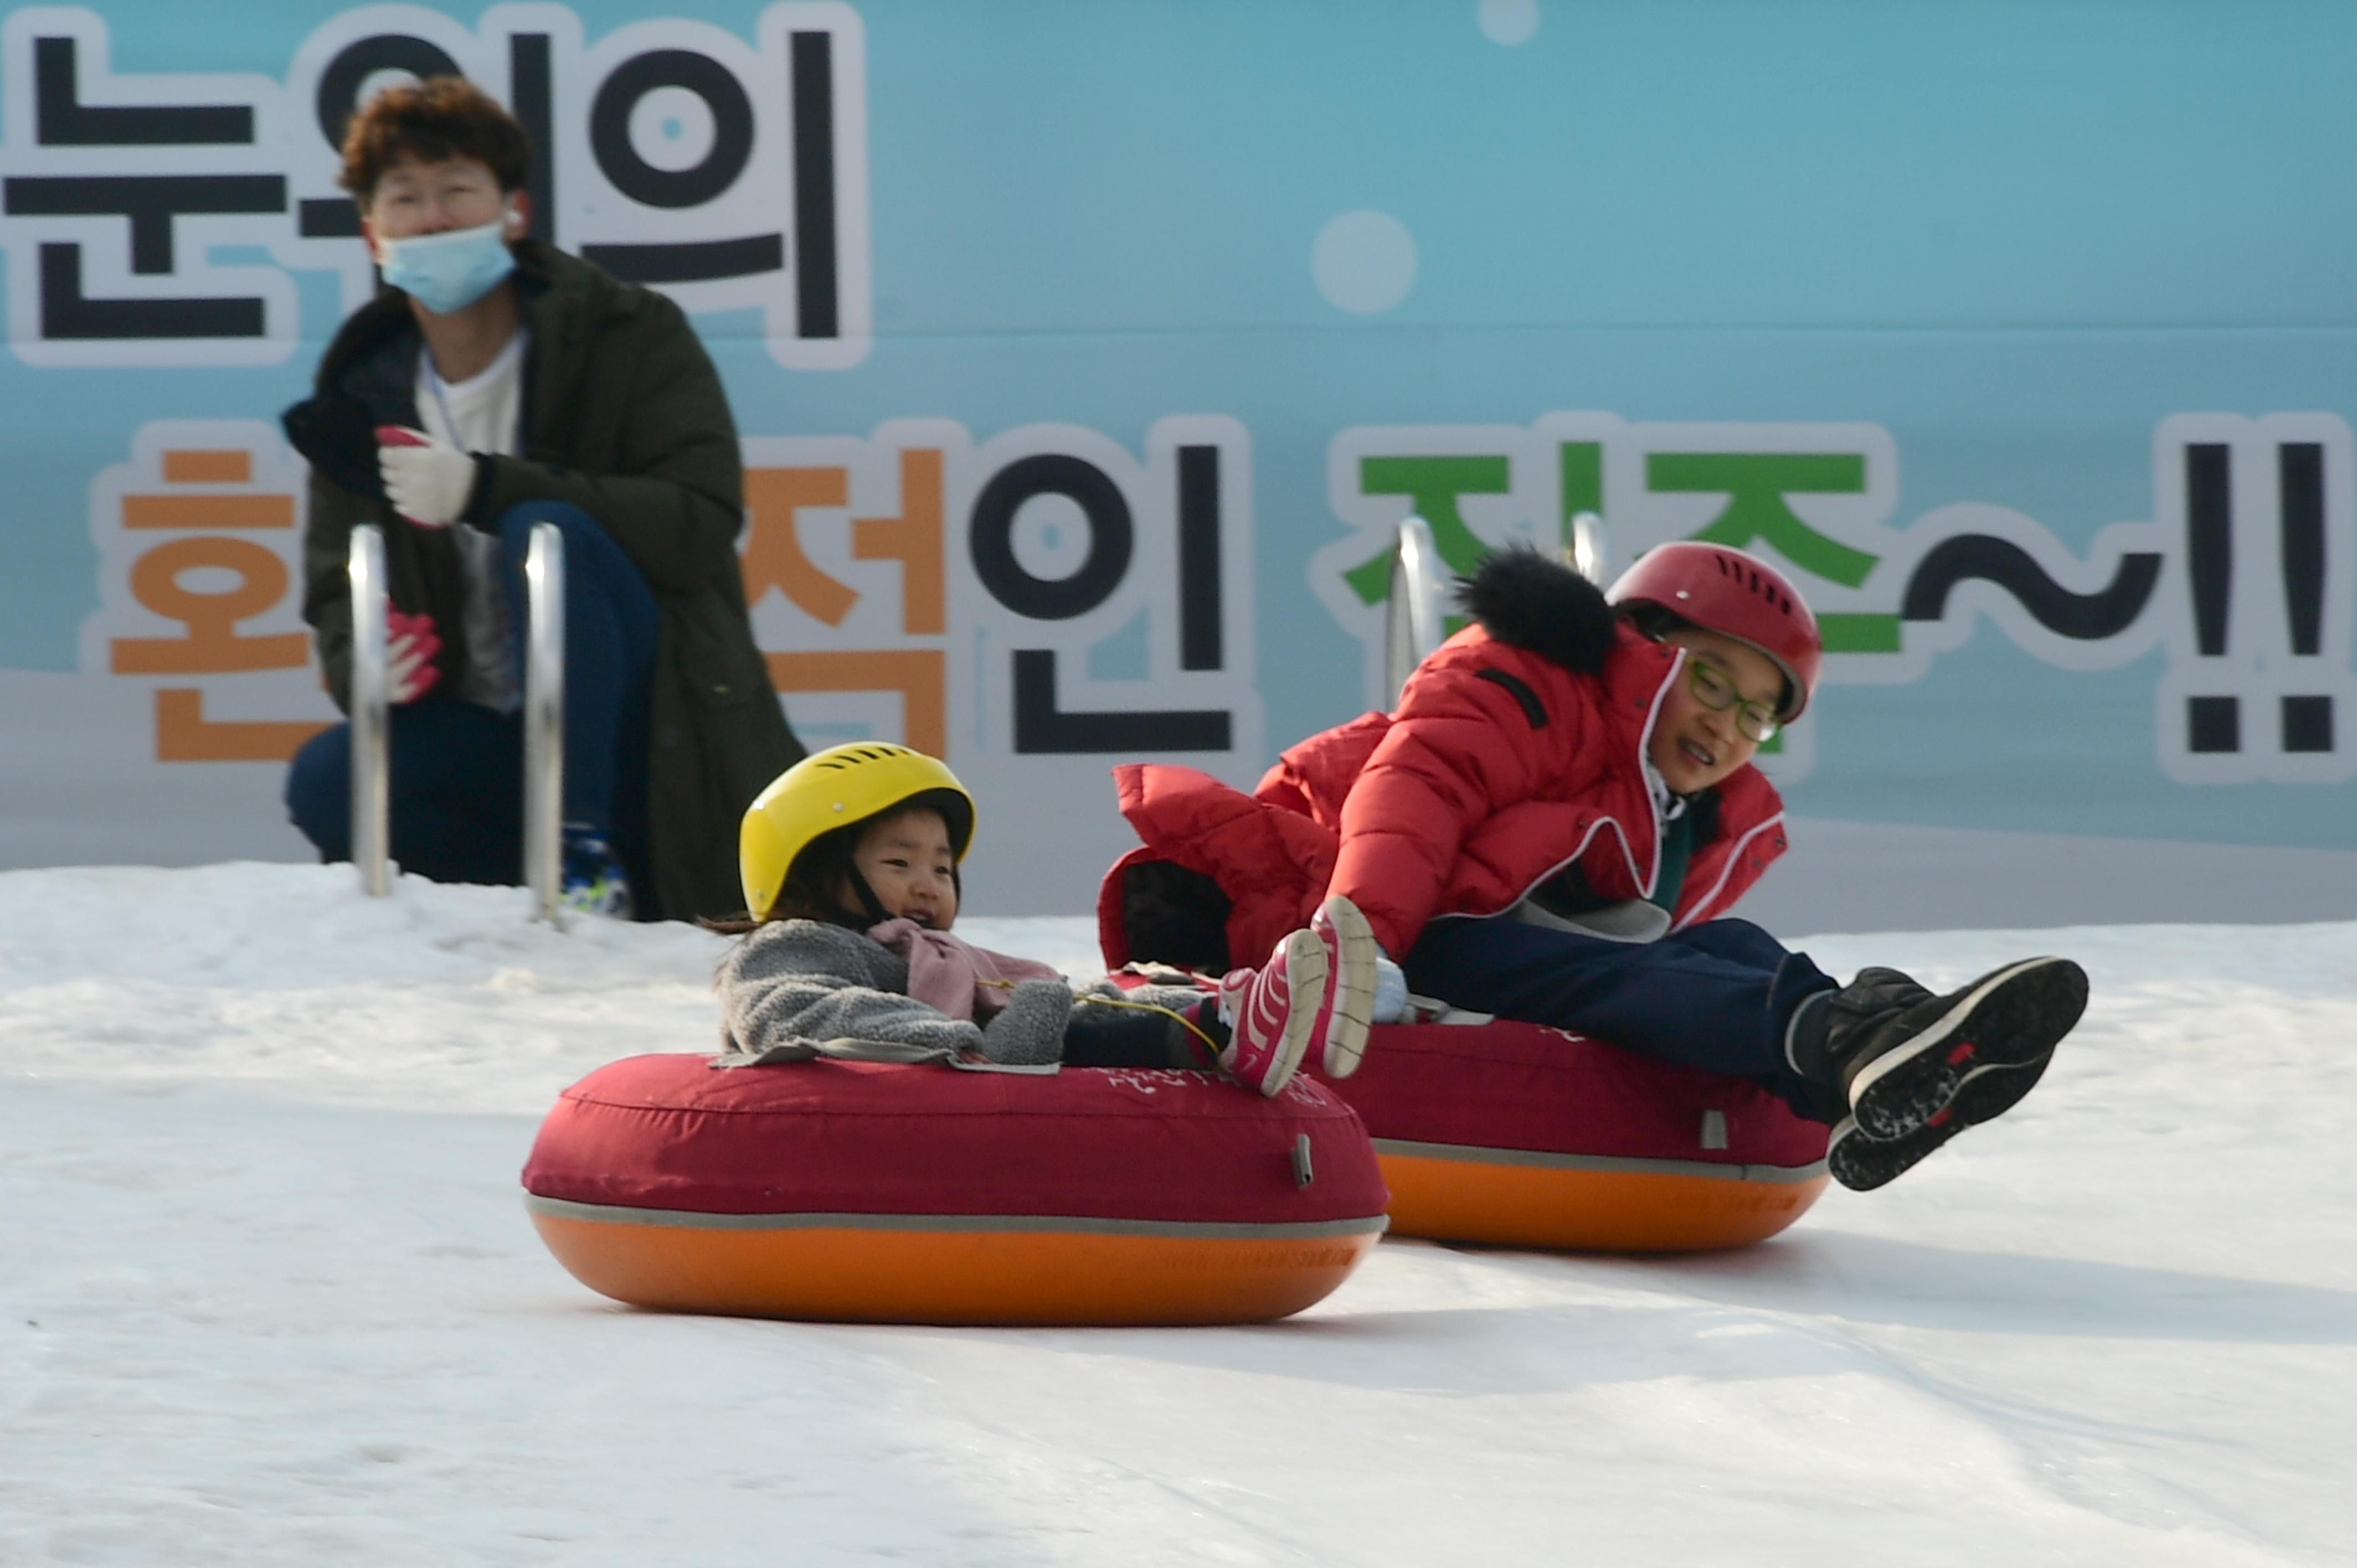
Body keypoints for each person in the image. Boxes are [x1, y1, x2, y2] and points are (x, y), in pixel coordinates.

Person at [1102, 541, 2090, 1190]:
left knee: (1732, 945)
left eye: (1758, 713)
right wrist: (1364, 944)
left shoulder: (1691, 811)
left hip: (1502, 943)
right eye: (1712, 680)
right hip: (1407, 936)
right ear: (1647, 649)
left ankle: (1877, 1048)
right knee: (1626, 973)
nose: (1728, 724)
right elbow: (1415, 796)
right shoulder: (1529, 682)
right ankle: (1845, 1042)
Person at [279, 76, 798, 920]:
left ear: (511, 212)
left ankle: (582, 849)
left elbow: (700, 521)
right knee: (329, 779)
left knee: (546, 530)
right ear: (374, 234)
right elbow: (337, 587)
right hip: (486, 730)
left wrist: (486, 486)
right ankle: (479, 908)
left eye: (457, 190)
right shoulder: (361, 391)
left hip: (650, 729)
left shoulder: (627, 332)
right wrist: (366, 656)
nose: (435, 218)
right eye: (405, 198)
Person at [713, 742, 1378, 1097]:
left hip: (986, 1065)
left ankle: (1250, 1016)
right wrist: (961, 1042)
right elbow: (794, 1012)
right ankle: (1232, 1027)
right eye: (899, 862)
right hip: (910, 1091)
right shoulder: (792, 946)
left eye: (942, 869)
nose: (928, 884)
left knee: (1102, 999)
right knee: (1066, 1020)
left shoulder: (941, 957)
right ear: (815, 876)